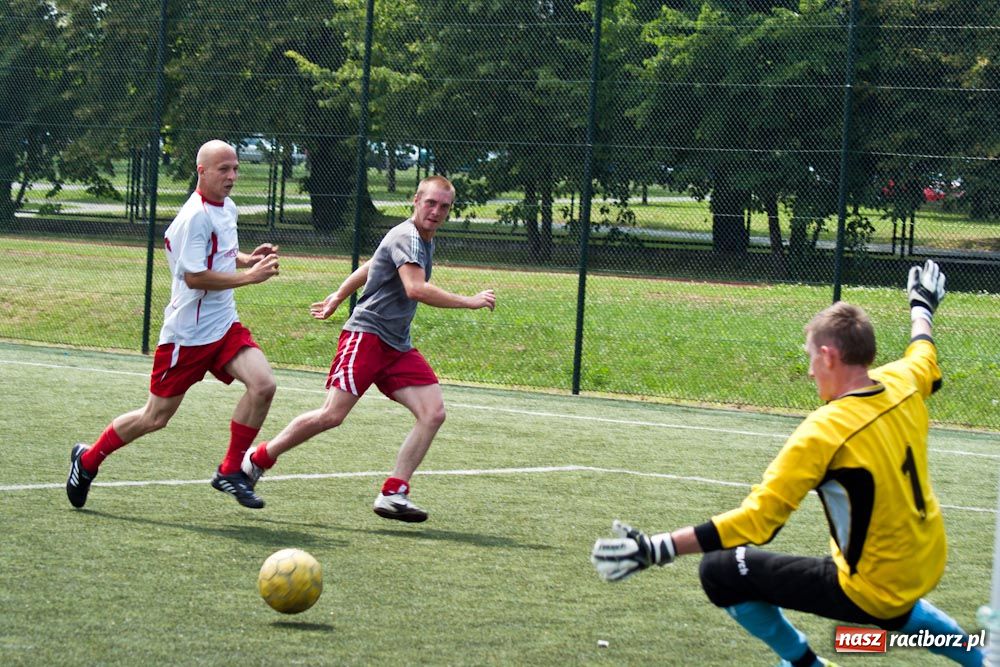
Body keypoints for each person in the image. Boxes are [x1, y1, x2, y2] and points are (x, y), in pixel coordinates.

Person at [591, 260, 984, 667]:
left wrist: (660, 547)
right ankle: (978, 658)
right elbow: (924, 351)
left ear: (829, 356)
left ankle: (806, 665)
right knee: (880, 581)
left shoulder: (824, 431)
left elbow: (757, 523)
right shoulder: (903, 381)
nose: (810, 369)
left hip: (875, 588)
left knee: (721, 571)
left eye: (811, 357)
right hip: (928, 560)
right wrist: (922, 305)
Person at [239, 175, 495, 522]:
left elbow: (372, 264)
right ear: (415, 201)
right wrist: (470, 301)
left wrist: (338, 294)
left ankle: (394, 492)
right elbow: (415, 289)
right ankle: (257, 459)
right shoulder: (408, 235)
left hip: (395, 344)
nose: (436, 211)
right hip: (367, 337)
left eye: (444, 206)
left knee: (433, 412)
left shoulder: (418, 239)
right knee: (331, 415)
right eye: (430, 203)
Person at [66, 139, 280, 510]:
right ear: (201, 171)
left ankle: (230, 470)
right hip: (188, 336)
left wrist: (246, 260)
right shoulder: (193, 217)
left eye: (235, 168)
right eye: (223, 169)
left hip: (224, 325)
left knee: (263, 385)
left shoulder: (227, 207)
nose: (232, 176)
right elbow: (195, 277)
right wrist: (251, 278)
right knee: (155, 417)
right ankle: (87, 460)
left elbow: (221, 255)